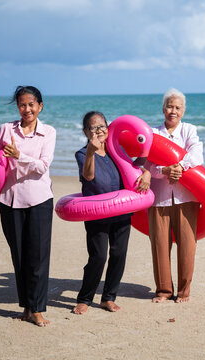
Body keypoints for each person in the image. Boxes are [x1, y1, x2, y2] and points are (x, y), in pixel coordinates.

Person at [0, 85, 56, 327]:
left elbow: (43, 166)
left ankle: (39, 310)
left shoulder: (48, 132)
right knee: (19, 256)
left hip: (39, 200)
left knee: (38, 258)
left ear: (40, 106)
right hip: (9, 200)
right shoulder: (5, 130)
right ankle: (27, 307)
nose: (27, 109)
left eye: (32, 104)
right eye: (22, 104)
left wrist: (18, 155)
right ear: (18, 106)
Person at [72, 111, 151, 315]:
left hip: (121, 211)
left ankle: (108, 297)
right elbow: (88, 176)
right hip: (96, 213)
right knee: (98, 257)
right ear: (85, 132)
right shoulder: (82, 153)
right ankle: (85, 298)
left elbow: (134, 168)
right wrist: (91, 151)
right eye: (93, 128)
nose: (99, 131)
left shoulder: (116, 150)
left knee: (118, 254)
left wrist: (147, 174)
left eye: (102, 126)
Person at [144, 88, 203, 304]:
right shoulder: (153, 133)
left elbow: (197, 155)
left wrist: (179, 166)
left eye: (178, 107)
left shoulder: (189, 130)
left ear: (183, 111)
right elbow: (148, 165)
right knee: (159, 245)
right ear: (163, 108)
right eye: (170, 106)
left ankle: (184, 292)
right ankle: (163, 291)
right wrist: (165, 171)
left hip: (186, 197)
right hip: (159, 197)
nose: (173, 111)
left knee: (187, 245)